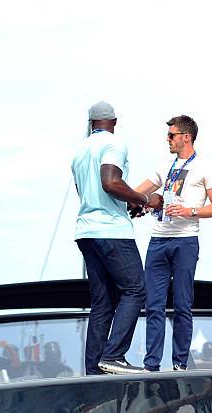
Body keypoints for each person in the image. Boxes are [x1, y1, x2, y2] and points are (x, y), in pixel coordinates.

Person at [72, 101, 162, 375]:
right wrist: (145, 198)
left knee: (103, 302)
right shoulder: (114, 144)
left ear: (91, 123)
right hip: (112, 232)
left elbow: (88, 193)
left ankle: (94, 368)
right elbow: (110, 182)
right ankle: (114, 355)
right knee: (136, 290)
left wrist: (128, 204)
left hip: (86, 232)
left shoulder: (79, 152)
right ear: (114, 121)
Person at [134, 115, 212, 372]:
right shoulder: (165, 166)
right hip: (158, 239)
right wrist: (136, 199)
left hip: (185, 240)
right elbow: (137, 192)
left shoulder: (206, 167)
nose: (168, 140)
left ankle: (179, 365)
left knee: (183, 304)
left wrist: (190, 211)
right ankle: (151, 365)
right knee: (153, 305)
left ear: (186, 136)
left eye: (171, 135)